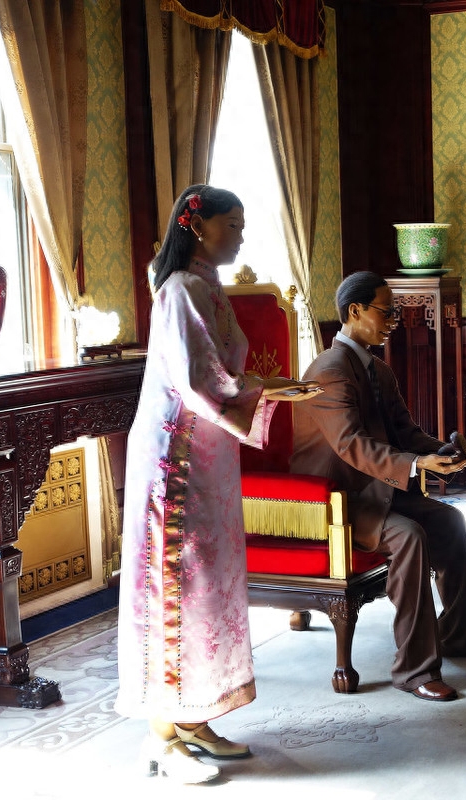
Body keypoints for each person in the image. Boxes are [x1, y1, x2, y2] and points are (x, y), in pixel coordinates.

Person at [115, 184, 323, 784]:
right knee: (175, 588)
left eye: (242, 225)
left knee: (209, 584)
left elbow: (225, 374)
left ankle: (196, 718)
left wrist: (272, 386)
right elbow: (200, 381)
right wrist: (267, 388)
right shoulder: (182, 288)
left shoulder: (207, 287)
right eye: (232, 224)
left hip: (207, 456)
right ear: (198, 226)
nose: (240, 235)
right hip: (175, 460)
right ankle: (163, 738)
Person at [289, 271, 466, 703]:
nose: (393, 320)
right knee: (409, 537)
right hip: (338, 500)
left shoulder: (376, 368)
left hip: (377, 490)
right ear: (355, 311)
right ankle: (414, 669)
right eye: (387, 312)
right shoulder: (329, 371)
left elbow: (406, 434)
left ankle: (460, 633)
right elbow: (352, 445)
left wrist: (452, 454)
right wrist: (415, 464)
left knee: (450, 521)